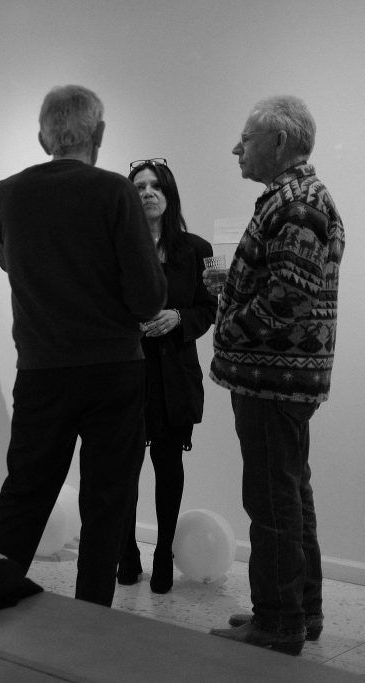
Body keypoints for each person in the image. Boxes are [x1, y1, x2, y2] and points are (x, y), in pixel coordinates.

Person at [0, 85, 167, 607]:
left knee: (25, 494)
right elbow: (147, 297)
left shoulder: (6, 194)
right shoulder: (113, 192)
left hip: (43, 367)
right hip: (114, 368)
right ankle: (91, 619)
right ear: (100, 134)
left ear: (43, 137)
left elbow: (7, 262)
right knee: (107, 500)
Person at [207, 97, 343, 656]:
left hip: (273, 379)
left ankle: (279, 621)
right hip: (282, 378)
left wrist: (230, 329)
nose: (237, 148)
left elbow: (289, 294)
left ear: (280, 142)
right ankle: (299, 611)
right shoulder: (296, 200)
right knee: (289, 493)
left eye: (247, 138)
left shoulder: (297, 203)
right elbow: (284, 281)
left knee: (271, 501)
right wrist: (233, 282)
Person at [115, 159, 216, 594]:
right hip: (126, 372)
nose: (149, 193)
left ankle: (162, 555)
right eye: (139, 187)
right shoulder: (116, 246)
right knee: (123, 467)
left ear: (169, 194)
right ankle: (127, 551)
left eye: (156, 186)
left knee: (168, 466)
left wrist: (178, 317)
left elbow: (208, 309)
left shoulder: (195, 249)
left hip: (173, 372)